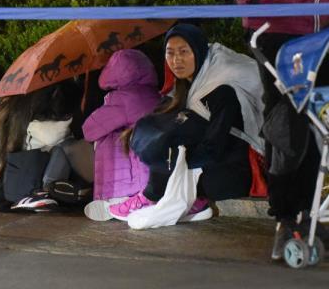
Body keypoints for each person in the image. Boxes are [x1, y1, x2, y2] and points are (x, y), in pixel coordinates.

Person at [217, 0, 329, 260]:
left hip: (325, 33)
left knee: (321, 125)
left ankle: (314, 217)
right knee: (287, 127)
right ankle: (286, 217)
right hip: (276, 29)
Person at [109, 24, 263, 223]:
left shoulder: (221, 87)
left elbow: (215, 146)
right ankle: (165, 196)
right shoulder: (188, 86)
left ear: (198, 51)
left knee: (175, 138)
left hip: (231, 174)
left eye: (184, 52)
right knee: (158, 132)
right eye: (170, 53)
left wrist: (174, 164)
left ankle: (153, 197)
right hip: (207, 170)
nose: (176, 60)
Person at [81, 49, 160, 221]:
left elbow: (89, 130)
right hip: (152, 174)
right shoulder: (154, 95)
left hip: (130, 179)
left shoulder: (123, 99)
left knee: (108, 136)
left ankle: (118, 200)